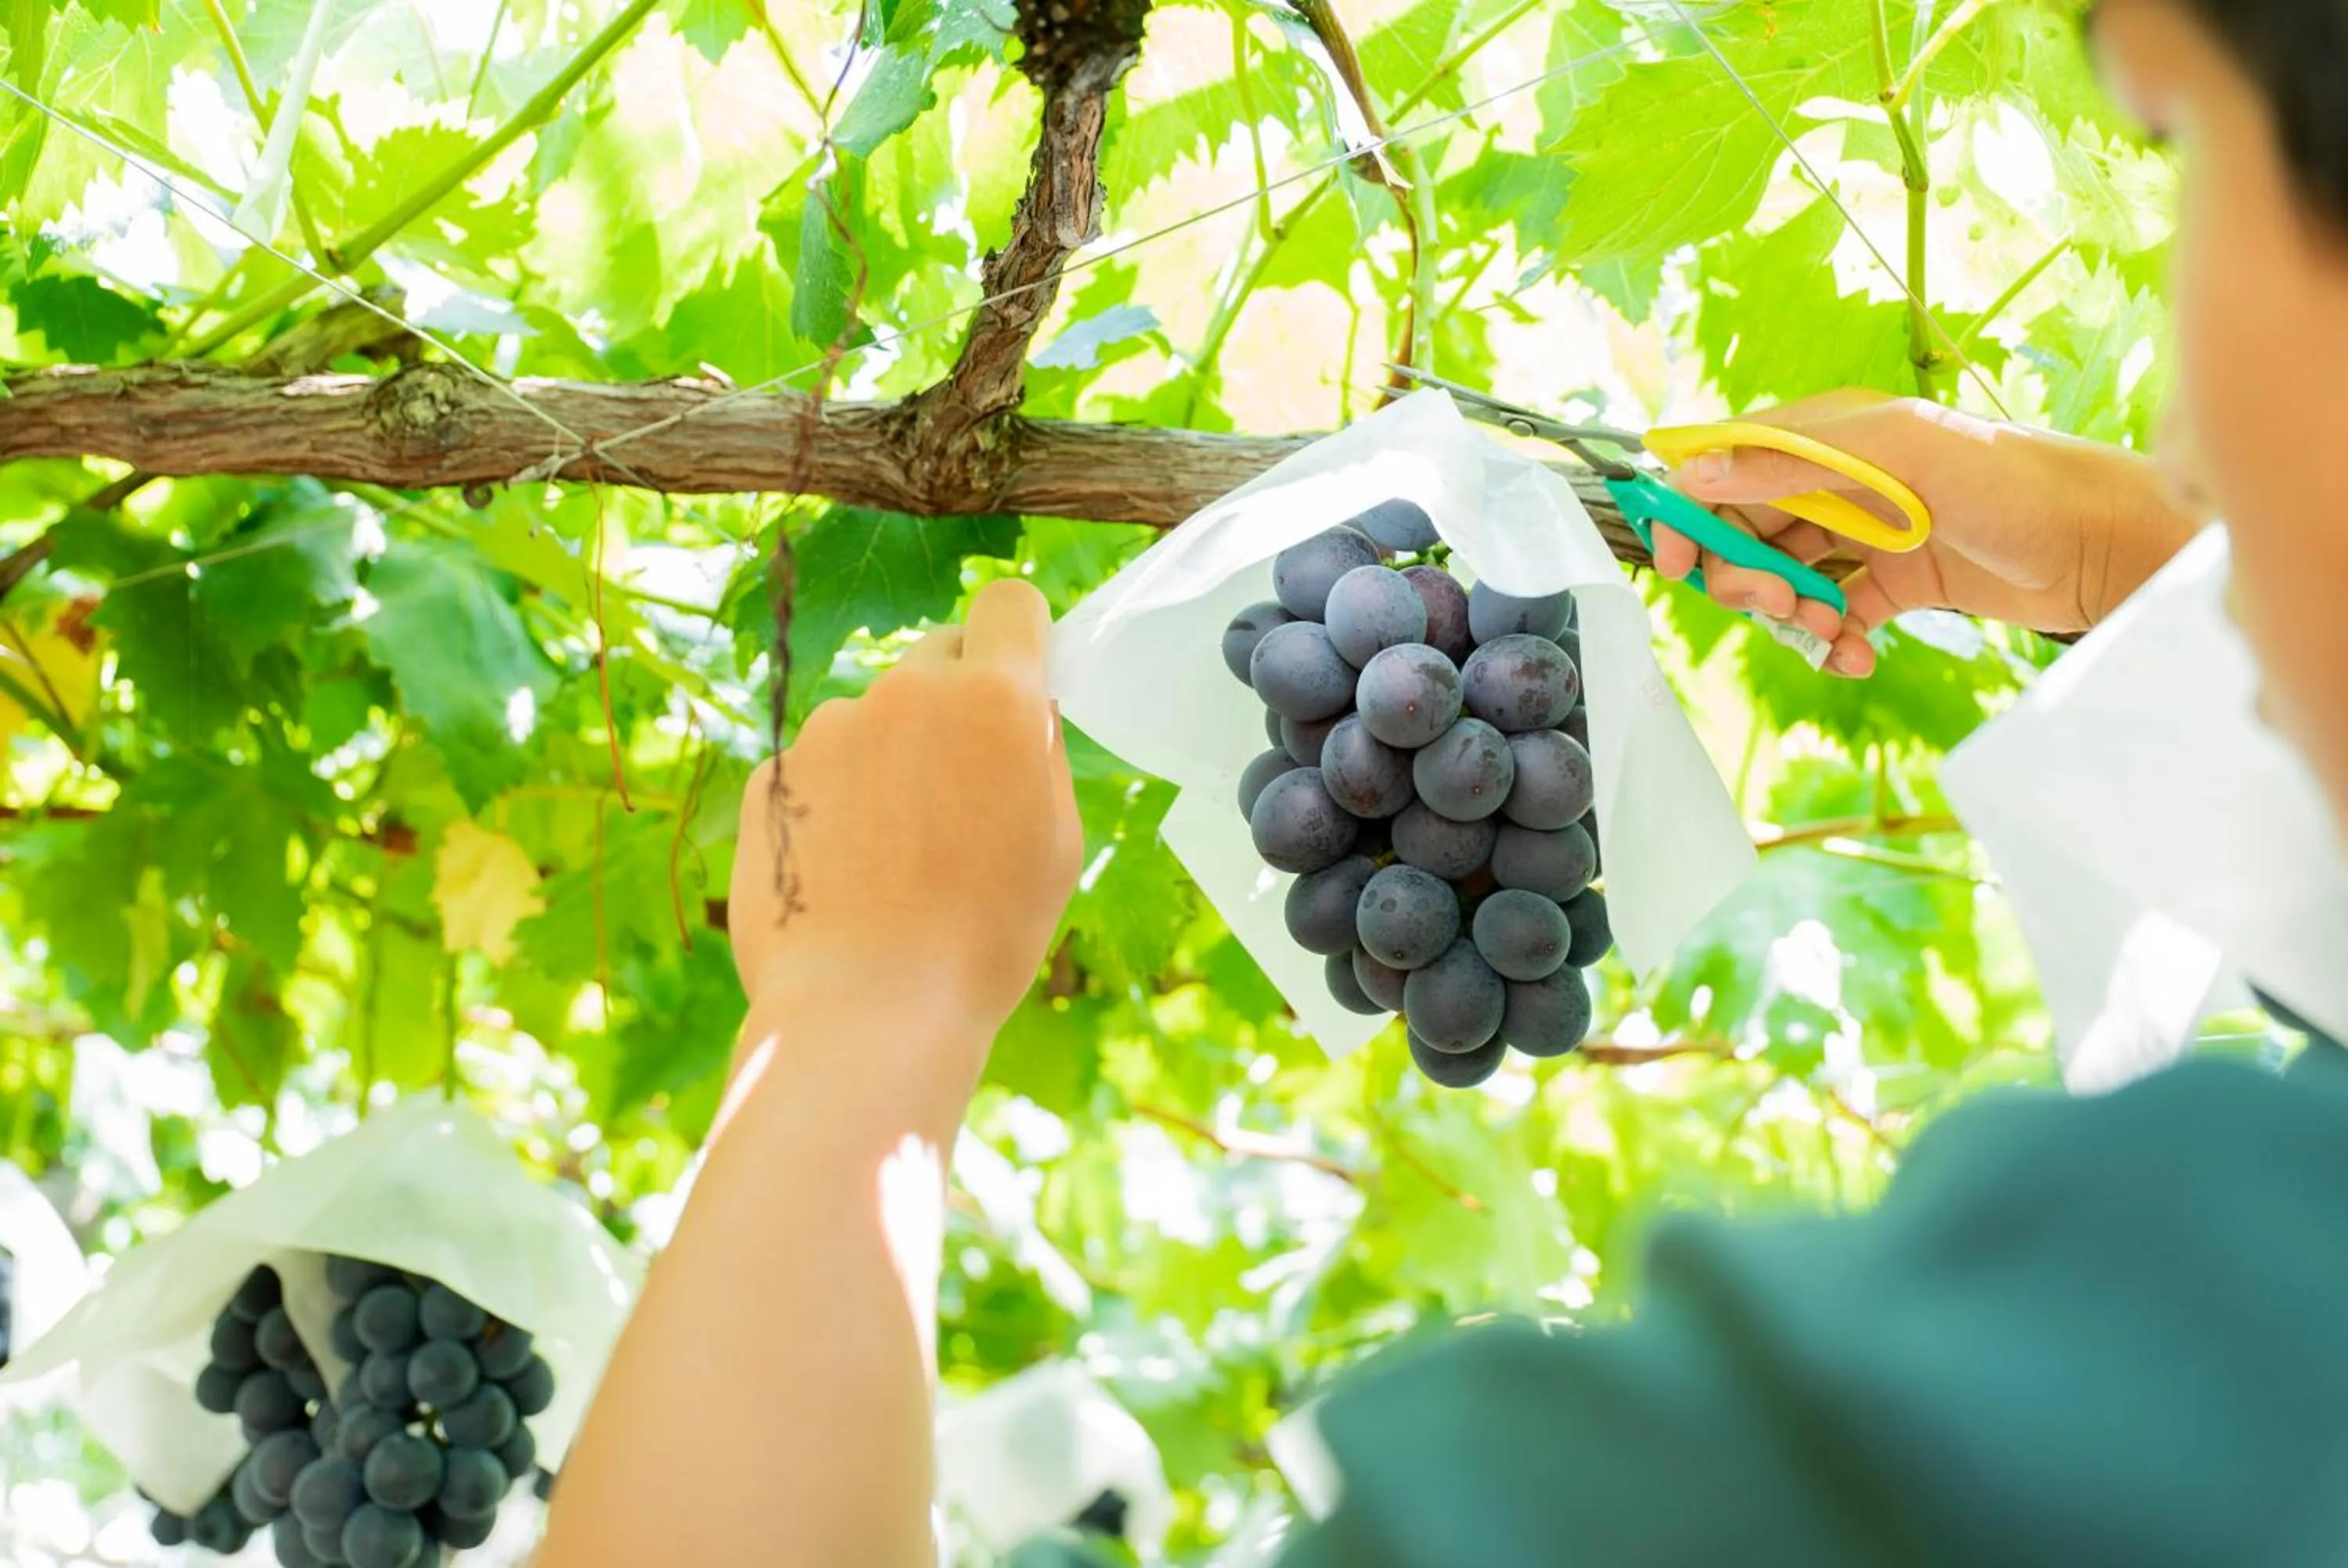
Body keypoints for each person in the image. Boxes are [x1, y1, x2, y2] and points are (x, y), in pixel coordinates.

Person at [534, 2, 2348, 1564]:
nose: (2180, 418)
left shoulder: (2183, 1350)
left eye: (2187, 144)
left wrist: (864, 1029)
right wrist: (2127, 557)